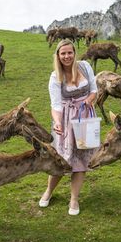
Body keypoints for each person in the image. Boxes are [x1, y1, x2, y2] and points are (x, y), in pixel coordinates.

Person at [39, 38, 98, 216]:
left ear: (74, 53)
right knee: (61, 160)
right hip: (65, 121)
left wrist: (88, 100)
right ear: (57, 55)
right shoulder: (55, 77)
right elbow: (55, 106)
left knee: (81, 160)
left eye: (69, 52)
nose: (67, 56)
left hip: (85, 117)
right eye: (63, 53)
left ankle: (74, 198)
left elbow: (94, 90)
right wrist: (57, 122)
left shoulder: (85, 67)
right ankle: (49, 191)